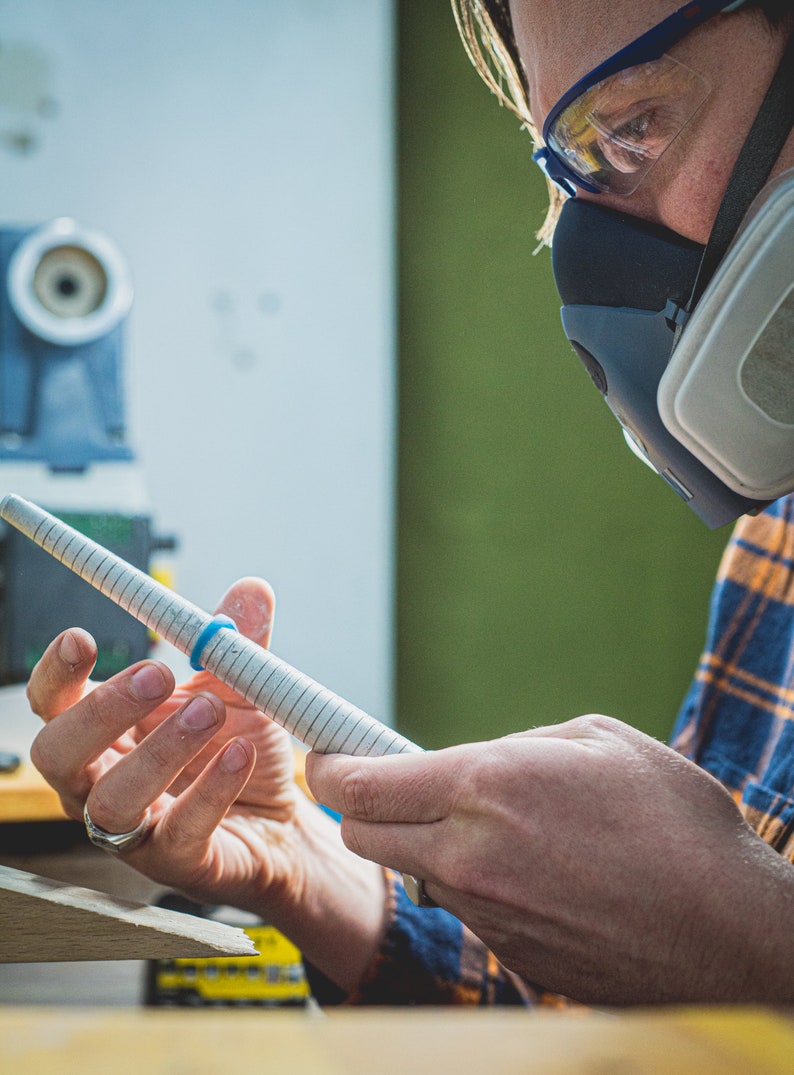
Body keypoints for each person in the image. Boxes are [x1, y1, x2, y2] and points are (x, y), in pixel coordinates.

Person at [25, 0, 794, 1006]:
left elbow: (722, 962)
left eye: (633, 127)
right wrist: (309, 873)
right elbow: (643, 1017)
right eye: (567, 171)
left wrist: (741, 933)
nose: (593, 259)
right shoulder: (775, 538)